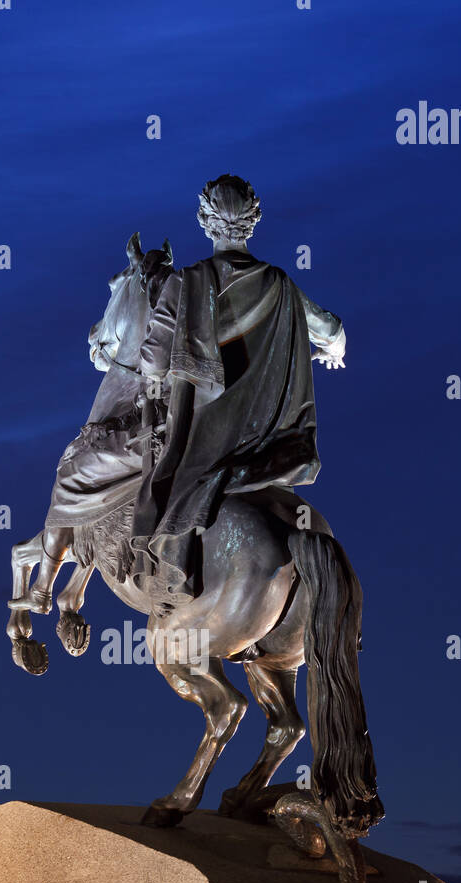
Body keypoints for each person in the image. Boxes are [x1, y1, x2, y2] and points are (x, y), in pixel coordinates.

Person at [129, 173, 346, 608]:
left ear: (205, 221)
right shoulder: (281, 284)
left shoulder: (184, 284)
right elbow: (333, 330)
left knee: (159, 491)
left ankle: (164, 576)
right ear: (253, 222)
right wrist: (330, 351)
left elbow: (151, 363)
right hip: (274, 448)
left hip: (211, 446)